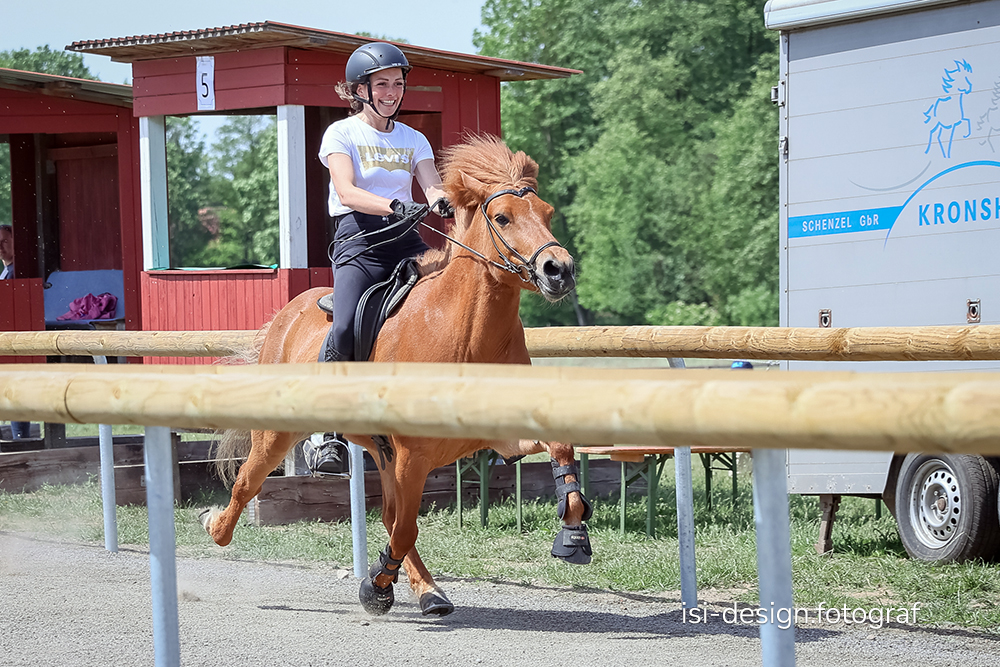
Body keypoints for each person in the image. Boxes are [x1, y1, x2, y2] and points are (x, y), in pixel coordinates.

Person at [303, 42, 451, 474]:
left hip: (406, 240)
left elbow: (432, 185)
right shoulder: (341, 133)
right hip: (359, 241)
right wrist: (392, 207)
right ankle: (326, 433)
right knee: (346, 324)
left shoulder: (415, 139)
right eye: (382, 84)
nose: (392, 91)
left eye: (398, 84)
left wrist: (443, 202)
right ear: (360, 90)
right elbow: (346, 191)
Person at [0, 224, 32, 440]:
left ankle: (20, 440)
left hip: (16, 338)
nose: (0, 246)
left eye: (4, 241)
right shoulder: (6, 271)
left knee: (15, 389)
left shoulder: (17, 273)